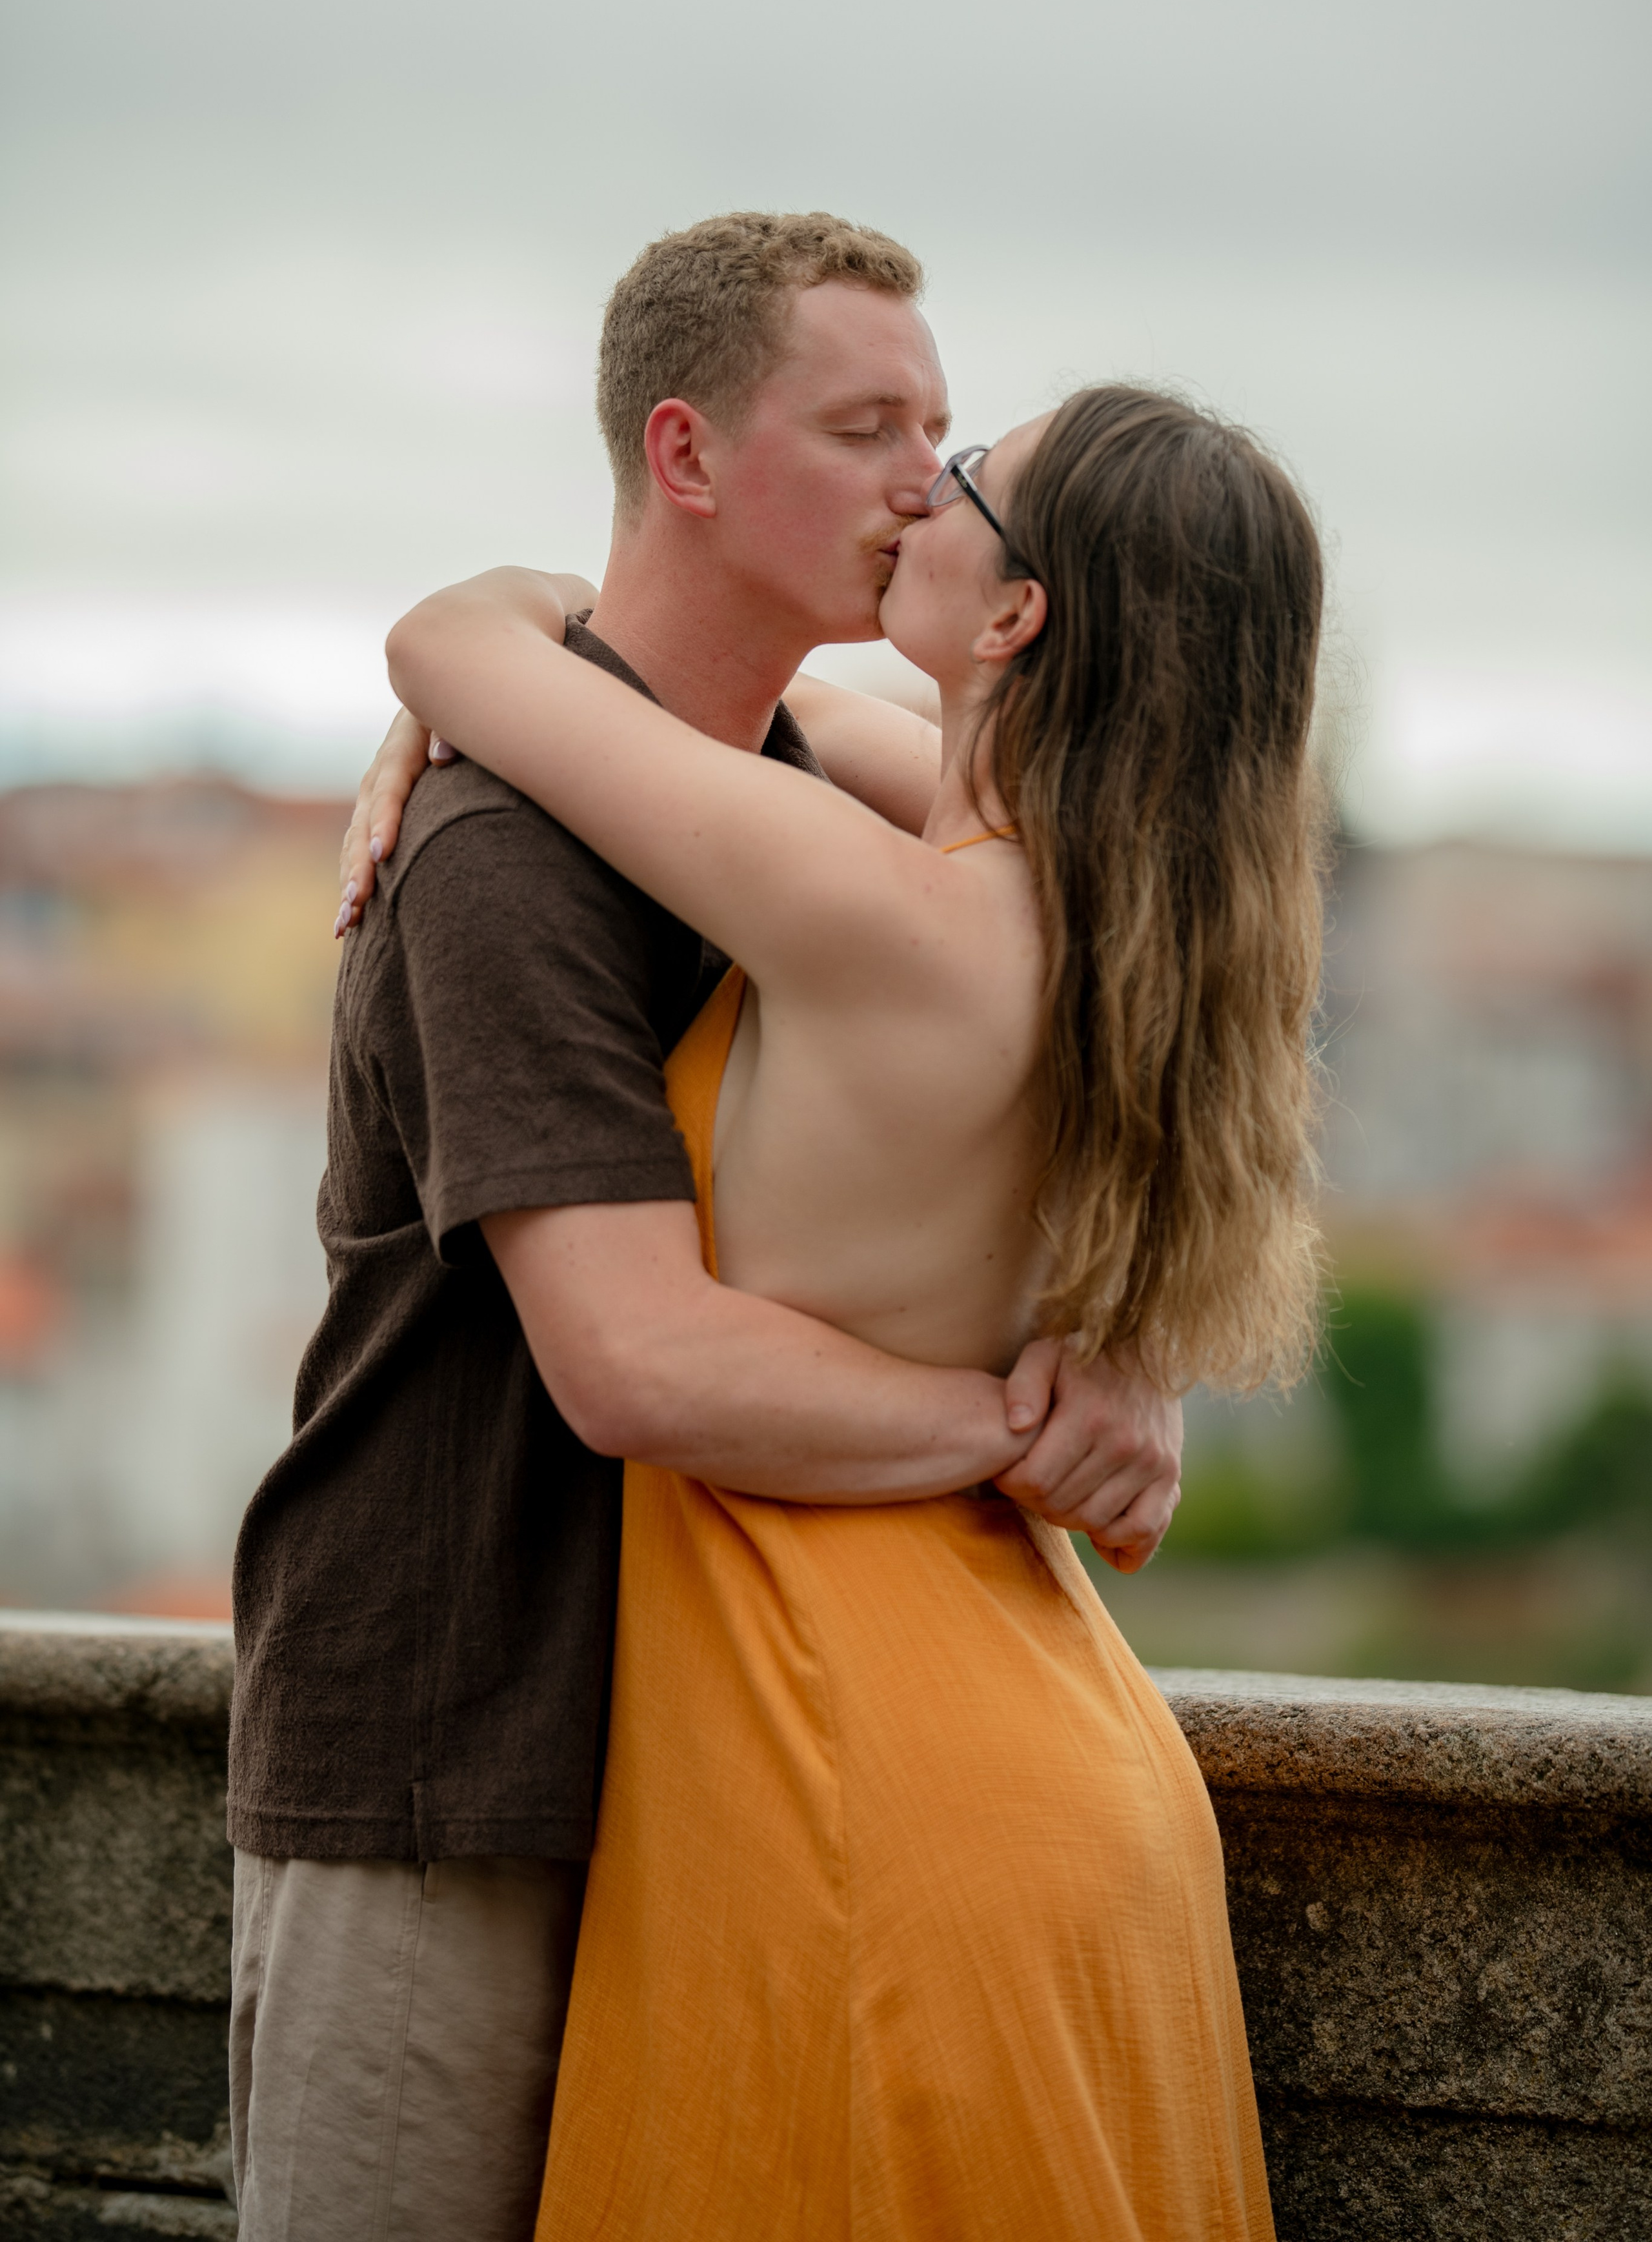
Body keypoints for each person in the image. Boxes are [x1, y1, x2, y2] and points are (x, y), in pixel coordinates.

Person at [228, 212, 1184, 2242]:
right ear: (685, 456)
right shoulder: (501, 855)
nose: (924, 483)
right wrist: (1020, 1425)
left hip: (703, 1751)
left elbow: (1107, 986)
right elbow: (637, 1359)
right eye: (864, 429)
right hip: (458, 1761)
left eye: (941, 433)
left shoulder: (796, 800)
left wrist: (1124, 1334)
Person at [379, 377, 1325, 2239]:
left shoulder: (874, 907)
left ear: (1016, 613)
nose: (913, 497)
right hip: (1056, 1754)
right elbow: (788, 709)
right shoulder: (1111, 915)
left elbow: (449, 645)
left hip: (843, 1748)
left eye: (961, 480)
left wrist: (465, 649)